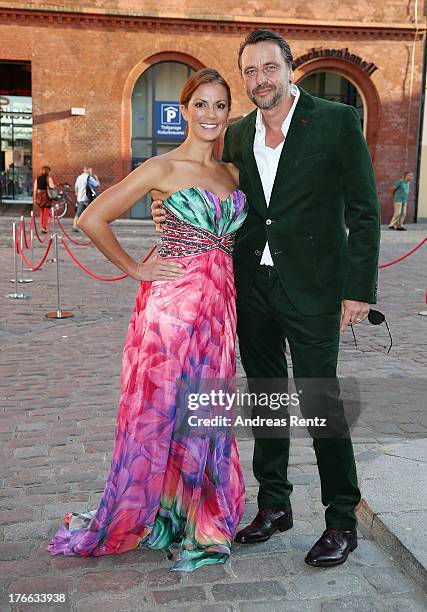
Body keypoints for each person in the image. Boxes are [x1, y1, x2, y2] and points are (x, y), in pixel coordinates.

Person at [152, 30, 380, 568]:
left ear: (289, 68)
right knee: (269, 399)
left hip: (315, 289)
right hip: (251, 286)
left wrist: (357, 292)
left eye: (269, 69)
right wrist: (169, 211)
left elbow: (365, 212)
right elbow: (204, 185)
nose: (260, 80)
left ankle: (341, 519)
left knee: (321, 401)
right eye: (250, 72)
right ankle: (275, 504)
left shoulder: (335, 121)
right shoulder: (234, 135)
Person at [47, 69, 246, 572]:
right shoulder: (161, 168)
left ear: (228, 113)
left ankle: (196, 513)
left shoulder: (233, 174)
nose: (209, 114)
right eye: (200, 104)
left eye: (219, 106)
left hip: (219, 310)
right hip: (169, 311)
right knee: (157, 411)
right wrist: (136, 267)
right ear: (184, 110)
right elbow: (91, 218)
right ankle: (148, 510)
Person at [73, 166, 100, 232]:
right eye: (90, 171)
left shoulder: (79, 177)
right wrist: (96, 178)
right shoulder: (89, 178)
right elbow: (96, 185)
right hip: (87, 198)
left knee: (79, 213)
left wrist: (77, 195)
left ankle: (74, 226)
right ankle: (91, 227)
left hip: (80, 198)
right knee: (91, 213)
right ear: (88, 170)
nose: (91, 172)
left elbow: (76, 187)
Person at [33, 165, 56, 233]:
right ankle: (43, 227)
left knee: (42, 211)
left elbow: (35, 189)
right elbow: (52, 186)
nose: (50, 172)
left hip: (39, 195)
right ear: (47, 171)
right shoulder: (48, 178)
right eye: (49, 171)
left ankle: (42, 226)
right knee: (46, 211)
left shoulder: (38, 178)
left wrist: (34, 198)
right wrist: (54, 186)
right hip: (46, 196)